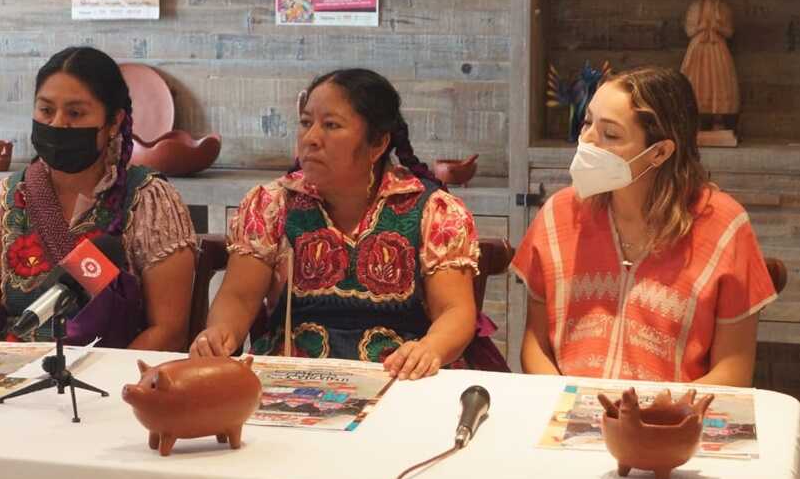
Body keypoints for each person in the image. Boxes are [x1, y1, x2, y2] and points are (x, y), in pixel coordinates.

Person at [190, 69, 483, 380]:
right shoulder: (272, 204)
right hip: (290, 380)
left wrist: (431, 348)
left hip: (400, 379)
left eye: (331, 125)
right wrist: (221, 332)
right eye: (306, 123)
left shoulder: (435, 211)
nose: (311, 138)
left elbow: (454, 311)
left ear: (378, 143)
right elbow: (238, 297)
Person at [511, 66, 777, 386]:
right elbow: (535, 345)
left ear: (660, 152)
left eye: (611, 134)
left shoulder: (724, 227)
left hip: (674, 412)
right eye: (587, 122)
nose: (587, 141)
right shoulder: (558, 215)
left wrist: (661, 411)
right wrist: (564, 400)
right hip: (568, 406)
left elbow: (733, 371)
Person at [0, 46, 196, 351]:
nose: (57, 124)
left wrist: (111, 376)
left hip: (114, 373)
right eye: (46, 110)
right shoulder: (3, 201)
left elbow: (168, 330)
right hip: (16, 371)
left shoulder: (147, 200)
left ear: (113, 122)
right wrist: (2, 371)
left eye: (75, 113)